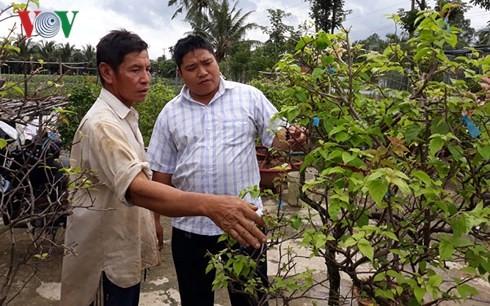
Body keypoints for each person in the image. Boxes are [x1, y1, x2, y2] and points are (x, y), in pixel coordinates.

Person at [60, 29, 267, 306]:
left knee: (252, 298)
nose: (146, 78)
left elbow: (279, 137)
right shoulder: (104, 125)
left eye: (148, 68)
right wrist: (210, 206)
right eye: (135, 70)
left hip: (238, 226)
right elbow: (139, 189)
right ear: (107, 73)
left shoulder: (124, 117)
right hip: (107, 259)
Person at [147, 35, 305, 306]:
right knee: (195, 300)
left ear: (217, 61)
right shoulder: (170, 114)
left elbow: (278, 138)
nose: (203, 72)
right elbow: (160, 176)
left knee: (251, 299)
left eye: (207, 63)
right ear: (180, 73)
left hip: (244, 224)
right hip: (190, 228)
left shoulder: (249, 97)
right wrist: (154, 222)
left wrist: (293, 137)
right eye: (192, 68)